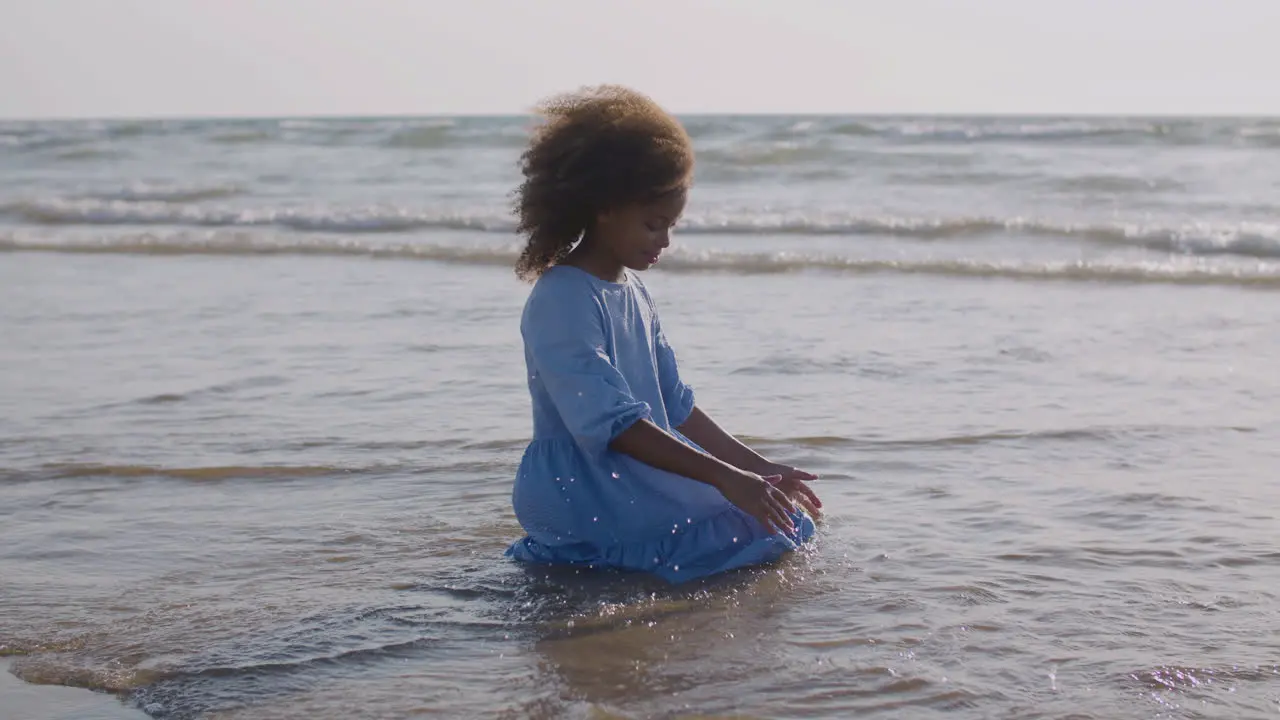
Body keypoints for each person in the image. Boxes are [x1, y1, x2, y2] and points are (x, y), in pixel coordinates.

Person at [506, 85, 822, 584]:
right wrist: (723, 477)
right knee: (750, 538)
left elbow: (675, 405)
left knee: (781, 523)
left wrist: (758, 469)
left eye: (671, 226)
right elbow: (611, 423)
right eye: (654, 225)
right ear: (604, 206)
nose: (665, 242)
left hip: (633, 471)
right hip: (588, 486)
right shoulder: (561, 297)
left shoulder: (633, 290)